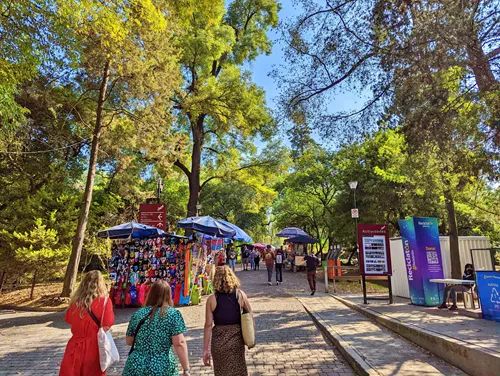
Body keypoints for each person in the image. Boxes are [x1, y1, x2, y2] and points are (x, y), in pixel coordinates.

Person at [123, 280, 190, 376]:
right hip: (162, 365)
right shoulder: (172, 314)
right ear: (168, 295)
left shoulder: (138, 314)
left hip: (136, 365)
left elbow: (129, 341)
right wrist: (186, 369)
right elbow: (179, 343)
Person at [59, 270, 115, 376]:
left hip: (74, 347)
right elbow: (107, 325)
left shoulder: (75, 303)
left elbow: (70, 321)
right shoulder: (105, 302)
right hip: (94, 348)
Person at [203, 266, 253, 376]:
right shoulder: (240, 295)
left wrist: (205, 349)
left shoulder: (212, 299)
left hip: (218, 342)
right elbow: (249, 316)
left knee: (221, 372)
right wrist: (250, 336)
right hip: (236, 341)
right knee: (238, 371)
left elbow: (208, 325)